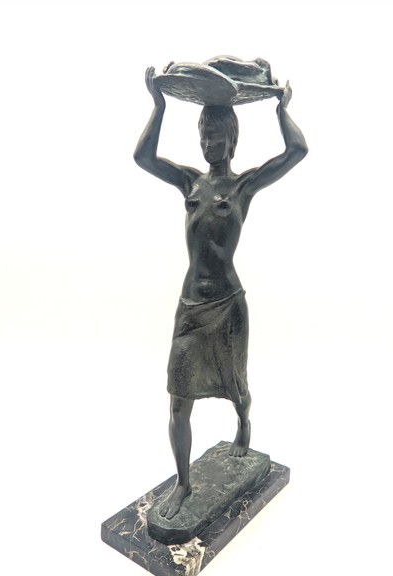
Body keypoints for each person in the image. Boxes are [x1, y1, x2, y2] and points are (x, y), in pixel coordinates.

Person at [134, 66, 308, 520]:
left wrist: (281, 108)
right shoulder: (189, 182)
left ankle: (243, 422)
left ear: (232, 141)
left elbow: (297, 150)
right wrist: (159, 105)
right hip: (191, 307)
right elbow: (143, 157)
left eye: (217, 137)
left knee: (236, 386)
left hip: (229, 305)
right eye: (204, 136)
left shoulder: (242, 186)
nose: (209, 144)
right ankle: (183, 483)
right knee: (178, 399)